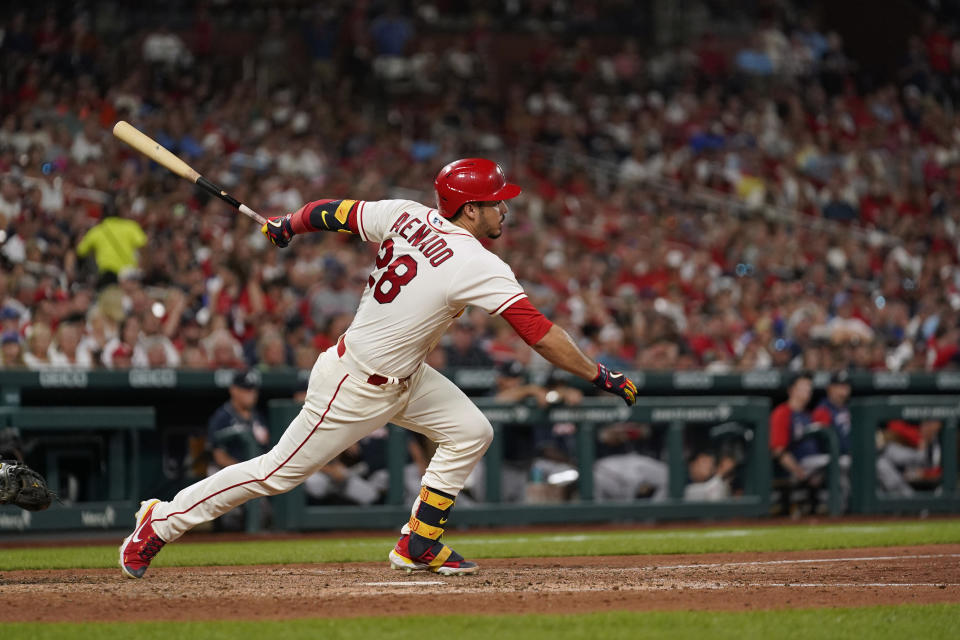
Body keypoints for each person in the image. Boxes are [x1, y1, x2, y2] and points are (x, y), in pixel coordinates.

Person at [120, 158, 637, 578]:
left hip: (406, 375)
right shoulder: (477, 262)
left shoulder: (406, 213)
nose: (505, 211)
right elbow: (539, 334)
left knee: (470, 430)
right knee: (275, 474)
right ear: (471, 209)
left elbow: (333, 211)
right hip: (354, 382)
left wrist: (289, 225)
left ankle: (419, 542)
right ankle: (160, 520)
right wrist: (597, 374)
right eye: (497, 203)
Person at [204, 368, 271, 531]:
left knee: (264, 512)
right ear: (233, 390)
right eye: (246, 390)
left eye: (253, 390)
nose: (251, 394)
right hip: (225, 472)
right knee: (231, 516)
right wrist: (244, 470)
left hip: (253, 475)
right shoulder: (222, 417)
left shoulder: (258, 417)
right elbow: (219, 457)